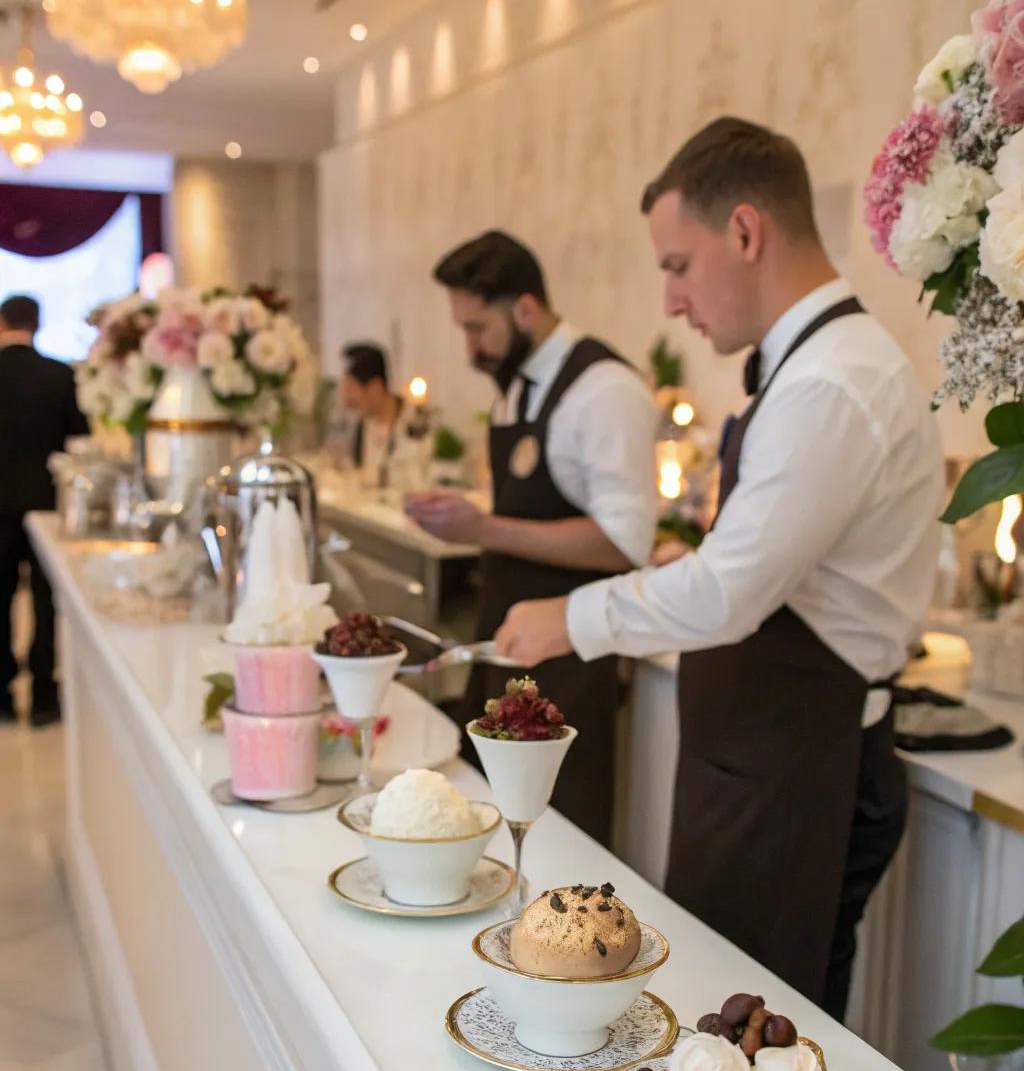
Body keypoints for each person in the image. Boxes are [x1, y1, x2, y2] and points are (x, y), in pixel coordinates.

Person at [493, 119, 944, 1008]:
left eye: (676, 265)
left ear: (744, 232)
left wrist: (570, 616)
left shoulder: (828, 382)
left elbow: (730, 593)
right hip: (761, 759)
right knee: (717, 1017)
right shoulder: (813, 365)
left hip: (799, 774)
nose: (669, 301)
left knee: (751, 1034)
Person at [404, 230, 658, 847]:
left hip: (570, 658)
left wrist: (483, 528)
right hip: (507, 638)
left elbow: (625, 544)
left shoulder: (606, 390)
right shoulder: (516, 386)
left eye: (477, 328)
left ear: (524, 309)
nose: (470, 348)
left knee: (560, 840)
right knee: (489, 823)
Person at [0, 294, 89, 725]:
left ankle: (1, 695)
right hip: (45, 506)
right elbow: (79, 436)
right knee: (44, 602)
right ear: (36, 325)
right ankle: (43, 698)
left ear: (2, 323)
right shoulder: (59, 374)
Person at [339, 342, 416, 488]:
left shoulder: (414, 425)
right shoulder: (359, 426)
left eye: (351, 389)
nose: (345, 398)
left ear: (376, 387)